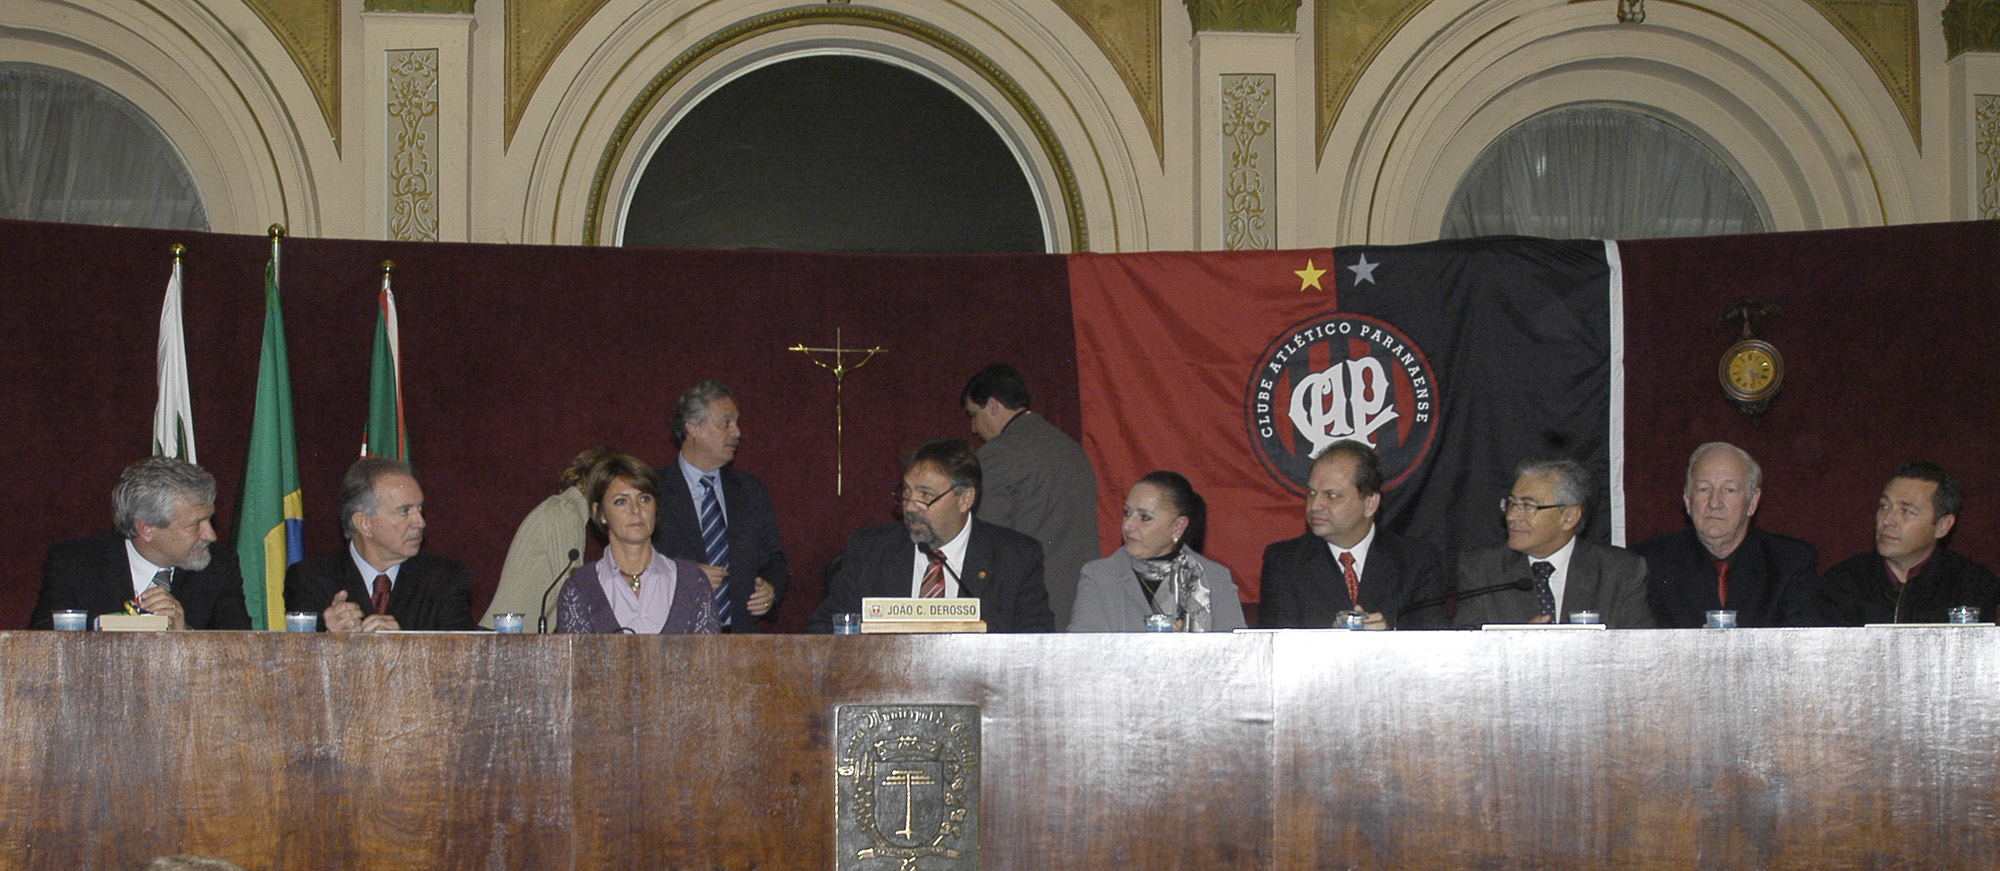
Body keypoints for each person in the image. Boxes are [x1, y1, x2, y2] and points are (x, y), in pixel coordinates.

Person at [810, 438, 1055, 633]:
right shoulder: (871, 551)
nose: (910, 506)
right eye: (906, 492)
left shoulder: (1014, 558)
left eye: (926, 495)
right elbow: (825, 630)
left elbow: (1036, 646)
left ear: (965, 499)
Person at [32, 457, 251, 630]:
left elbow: (242, 656)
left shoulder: (219, 567)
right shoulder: (74, 565)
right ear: (146, 528)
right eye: (195, 524)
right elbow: (40, 649)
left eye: (209, 519)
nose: (211, 535)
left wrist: (184, 633)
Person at [960, 364, 1099, 628]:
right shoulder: (1072, 450)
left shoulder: (997, 454)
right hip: (1081, 605)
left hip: (1028, 609)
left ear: (993, 405)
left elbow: (985, 540)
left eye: (973, 415)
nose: (974, 428)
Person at [1258, 441, 1450, 629]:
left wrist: (1389, 640)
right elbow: (1277, 649)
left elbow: (1435, 648)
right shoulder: (1285, 562)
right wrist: (1329, 643)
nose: (1315, 506)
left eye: (1332, 495)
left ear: (1369, 504)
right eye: (1312, 492)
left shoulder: (1416, 561)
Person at [652, 380, 788, 633]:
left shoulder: (751, 490)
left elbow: (774, 558)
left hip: (742, 640)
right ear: (693, 427)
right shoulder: (652, 491)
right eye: (726, 423)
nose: (737, 432)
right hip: (674, 638)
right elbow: (634, 565)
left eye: (736, 423)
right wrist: (683, 576)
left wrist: (771, 588)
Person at [1454, 457, 1654, 628]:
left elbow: (1640, 652)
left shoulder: (1620, 571)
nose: (1512, 516)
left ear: (1569, 517)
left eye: (1528, 506)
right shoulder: (1481, 569)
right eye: (1512, 503)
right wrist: (1513, 644)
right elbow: (1466, 652)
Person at [1635, 442, 1819, 627]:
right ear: (1688, 500)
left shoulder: (1791, 563)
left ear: (1753, 501)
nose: (1715, 502)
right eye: (1704, 489)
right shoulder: (1647, 564)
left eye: (1729, 490)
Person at [284, 457, 477, 632]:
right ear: (364, 523)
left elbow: (463, 658)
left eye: (419, 509)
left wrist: (405, 647)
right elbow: (293, 662)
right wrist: (327, 638)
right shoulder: (310, 579)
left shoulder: (445, 580)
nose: (420, 522)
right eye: (405, 511)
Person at [1818, 461, 2000, 625]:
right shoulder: (1842, 583)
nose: (1888, 520)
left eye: (1906, 511)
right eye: (1884, 506)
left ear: (1942, 526)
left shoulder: (1973, 585)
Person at [557, 453, 720, 634]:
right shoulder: (580, 587)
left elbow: (709, 660)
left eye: (644, 499)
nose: (636, 510)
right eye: (621, 501)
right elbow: (574, 661)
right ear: (600, 513)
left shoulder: (693, 582)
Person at [1068, 471, 1245, 632]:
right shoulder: (1099, 576)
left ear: (1178, 527)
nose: (1128, 525)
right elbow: (1084, 654)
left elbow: (1237, 656)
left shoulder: (1215, 578)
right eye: (1127, 513)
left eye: (1144, 518)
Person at [482, 446, 616, 631]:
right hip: (511, 637)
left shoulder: (564, 509)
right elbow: (574, 591)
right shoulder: (566, 512)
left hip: (511, 633)